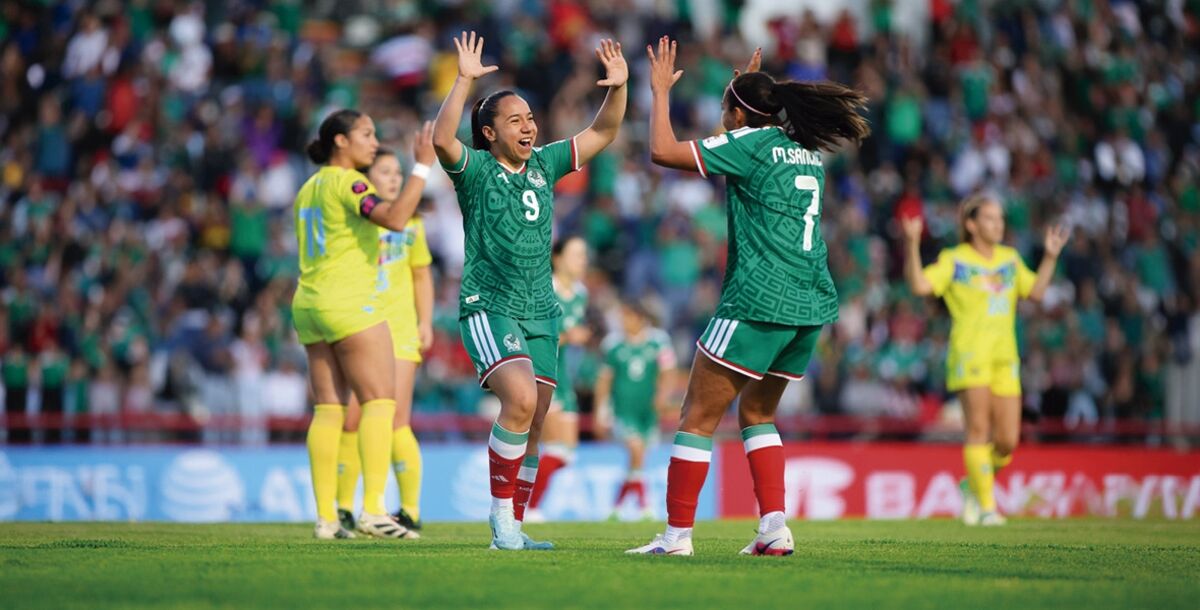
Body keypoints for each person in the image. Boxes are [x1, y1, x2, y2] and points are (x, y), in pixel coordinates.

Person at [628, 38, 870, 556]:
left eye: (726, 108)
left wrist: (659, 92)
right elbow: (745, 135)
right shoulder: (804, 149)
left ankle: (676, 537)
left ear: (738, 115)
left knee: (696, 417)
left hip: (758, 300)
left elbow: (662, 151)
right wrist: (741, 92)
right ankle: (774, 528)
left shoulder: (749, 146)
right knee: (758, 414)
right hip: (809, 304)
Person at [431, 31, 627, 550]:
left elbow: (604, 130)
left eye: (530, 118)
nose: (529, 126)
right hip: (490, 305)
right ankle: (500, 519)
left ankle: (513, 529)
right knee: (518, 399)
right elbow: (442, 140)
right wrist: (464, 80)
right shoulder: (475, 171)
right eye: (515, 120)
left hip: (542, 310)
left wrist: (619, 87)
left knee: (536, 421)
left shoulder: (544, 163)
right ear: (489, 132)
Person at [294, 109, 435, 539]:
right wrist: (422, 167)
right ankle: (374, 509)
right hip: (349, 303)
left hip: (309, 302)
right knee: (379, 401)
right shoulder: (349, 182)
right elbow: (393, 219)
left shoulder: (308, 187)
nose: (374, 143)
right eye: (366, 134)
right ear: (341, 141)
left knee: (329, 409)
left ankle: (327, 519)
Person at [902, 195, 1070, 526]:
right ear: (971, 224)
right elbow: (920, 285)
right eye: (990, 218)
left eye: (1000, 218)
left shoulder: (1010, 260)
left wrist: (1050, 257)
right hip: (969, 355)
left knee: (1007, 441)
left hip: (1005, 357)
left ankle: (973, 485)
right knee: (978, 430)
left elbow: (1036, 292)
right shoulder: (955, 260)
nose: (998, 224)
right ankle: (987, 508)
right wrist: (911, 244)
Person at [335, 148, 436, 539]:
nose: (395, 178)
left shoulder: (412, 223)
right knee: (352, 418)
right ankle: (344, 507)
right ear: (367, 179)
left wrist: (425, 321)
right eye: (386, 172)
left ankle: (410, 509)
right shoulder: (357, 220)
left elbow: (421, 276)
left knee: (396, 419)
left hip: (399, 331)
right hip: (361, 327)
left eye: (398, 172)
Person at [522, 236, 591, 524]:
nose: (582, 261)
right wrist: (567, 337)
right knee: (548, 445)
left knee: (566, 453)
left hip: (564, 377)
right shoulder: (544, 290)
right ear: (558, 258)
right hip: (541, 373)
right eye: (576, 254)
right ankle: (526, 507)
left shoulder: (581, 293)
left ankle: (524, 502)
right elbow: (531, 334)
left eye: (584, 255)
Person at [596, 301, 677, 521]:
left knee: (637, 459)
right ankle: (644, 506)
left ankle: (616, 507)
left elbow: (669, 372)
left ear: (640, 318)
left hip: (648, 410)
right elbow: (604, 380)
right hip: (622, 410)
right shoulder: (612, 344)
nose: (623, 322)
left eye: (628, 317)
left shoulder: (658, 341)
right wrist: (600, 411)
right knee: (636, 450)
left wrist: (663, 396)